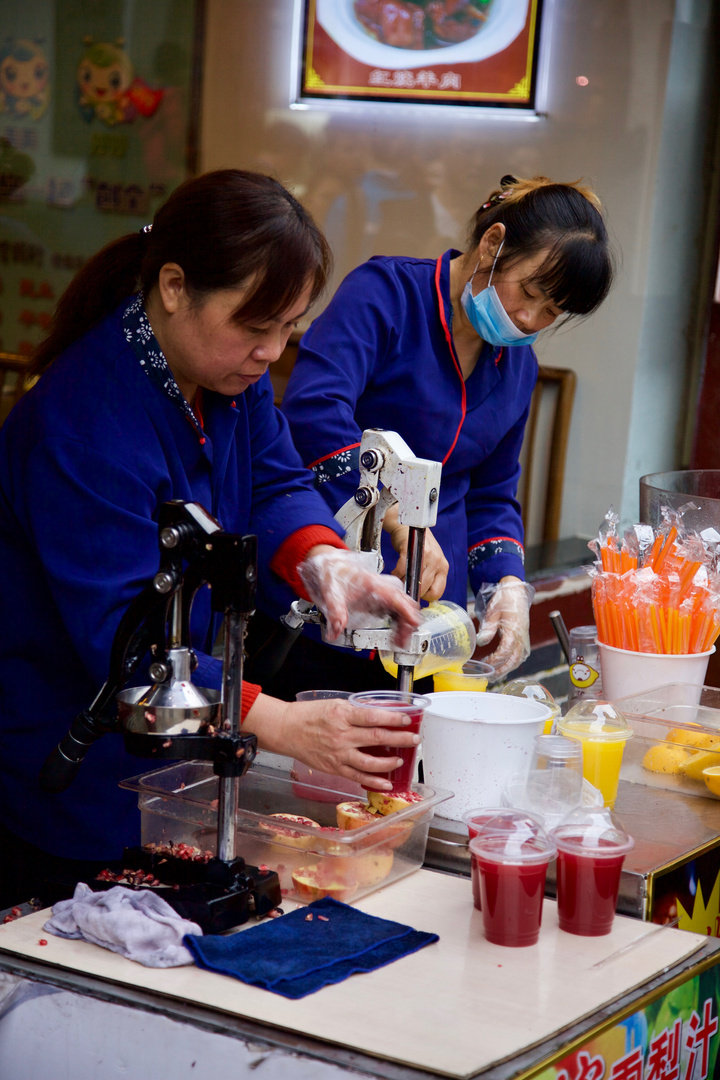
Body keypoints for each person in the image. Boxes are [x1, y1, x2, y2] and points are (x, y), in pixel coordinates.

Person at [0, 169, 422, 909]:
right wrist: (283, 721)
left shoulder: (224, 373)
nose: (272, 352)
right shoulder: (82, 426)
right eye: (257, 327)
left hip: (185, 737)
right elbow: (121, 643)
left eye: (289, 328)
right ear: (173, 286)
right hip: (68, 758)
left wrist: (324, 560)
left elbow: (274, 479)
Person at [274, 175, 614, 695]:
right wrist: (392, 511)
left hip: (431, 623)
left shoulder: (515, 368)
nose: (529, 318)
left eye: (551, 311)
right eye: (529, 291)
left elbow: (492, 493)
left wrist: (506, 583)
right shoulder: (386, 296)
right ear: (492, 244)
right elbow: (314, 408)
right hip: (334, 590)